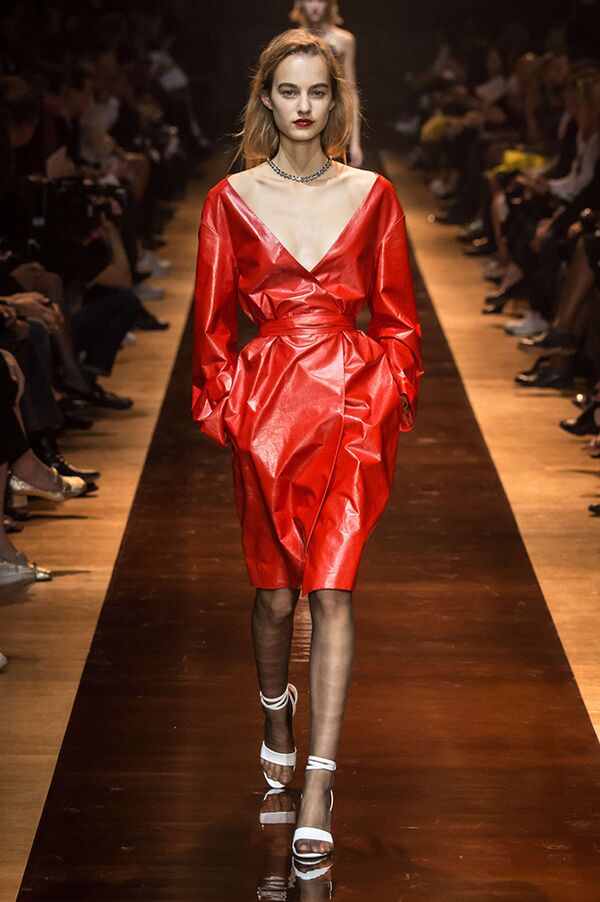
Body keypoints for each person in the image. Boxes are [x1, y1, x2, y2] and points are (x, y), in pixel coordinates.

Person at [192, 29, 423, 866]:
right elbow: (210, 329)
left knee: (332, 591)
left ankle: (319, 783)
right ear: (267, 98)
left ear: (336, 99)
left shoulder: (373, 194)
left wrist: (388, 390)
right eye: (288, 91)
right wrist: (230, 406)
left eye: (317, 91)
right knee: (274, 600)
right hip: (269, 415)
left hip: (352, 413)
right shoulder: (230, 199)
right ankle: (274, 708)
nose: (302, 105)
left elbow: (397, 318)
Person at [290, 0, 364, 167]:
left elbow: (351, 90)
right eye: (309, 0)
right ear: (300, 4)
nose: (315, 6)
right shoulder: (292, 40)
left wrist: (355, 143)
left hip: (333, 116)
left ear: (330, 4)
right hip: (302, 112)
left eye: (321, 0)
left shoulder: (345, 40)